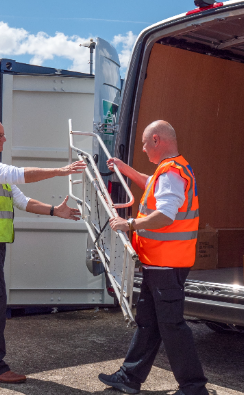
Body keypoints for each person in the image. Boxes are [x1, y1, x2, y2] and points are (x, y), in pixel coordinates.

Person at [0, 117, 86, 384]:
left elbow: (22, 200)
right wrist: (62, 171)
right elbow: (20, 174)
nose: (4, 140)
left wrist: (53, 211)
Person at [98, 120, 208, 395]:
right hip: (158, 263)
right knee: (149, 321)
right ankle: (129, 377)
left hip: (167, 264)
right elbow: (153, 188)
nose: (145, 150)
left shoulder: (171, 173)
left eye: (146, 145)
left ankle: (193, 387)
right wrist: (126, 170)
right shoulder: (171, 170)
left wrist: (130, 224)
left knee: (171, 325)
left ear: (157, 140)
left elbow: (166, 214)